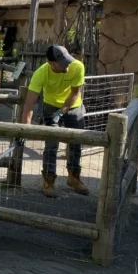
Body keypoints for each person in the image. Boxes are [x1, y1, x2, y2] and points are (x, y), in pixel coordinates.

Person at [20, 45, 89, 198]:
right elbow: (29, 103)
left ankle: (74, 178)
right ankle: (49, 179)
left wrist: (61, 112)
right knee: (51, 145)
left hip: (73, 105)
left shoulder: (77, 66)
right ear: (52, 63)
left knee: (76, 143)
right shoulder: (41, 74)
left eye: (67, 60)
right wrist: (25, 129)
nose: (67, 65)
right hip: (51, 105)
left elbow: (75, 93)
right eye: (63, 62)